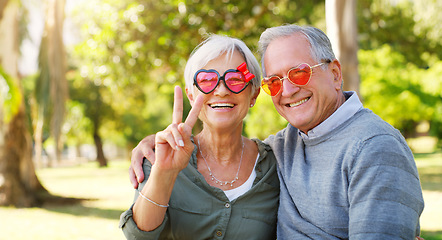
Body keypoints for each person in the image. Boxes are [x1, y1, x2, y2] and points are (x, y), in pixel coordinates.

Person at [129, 25, 425, 239]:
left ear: (335, 74)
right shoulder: (285, 146)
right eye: (274, 81)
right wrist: (155, 154)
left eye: (299, 72)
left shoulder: (375, 147)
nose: (288, 89)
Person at [119, 35, 280, 239]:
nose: (221, 91)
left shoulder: (275, 165)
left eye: (235, 79)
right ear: (191, 95)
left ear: (254, 95)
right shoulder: (159, 155)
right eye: (207, 80)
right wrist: (164, 172)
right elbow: (138, 237)